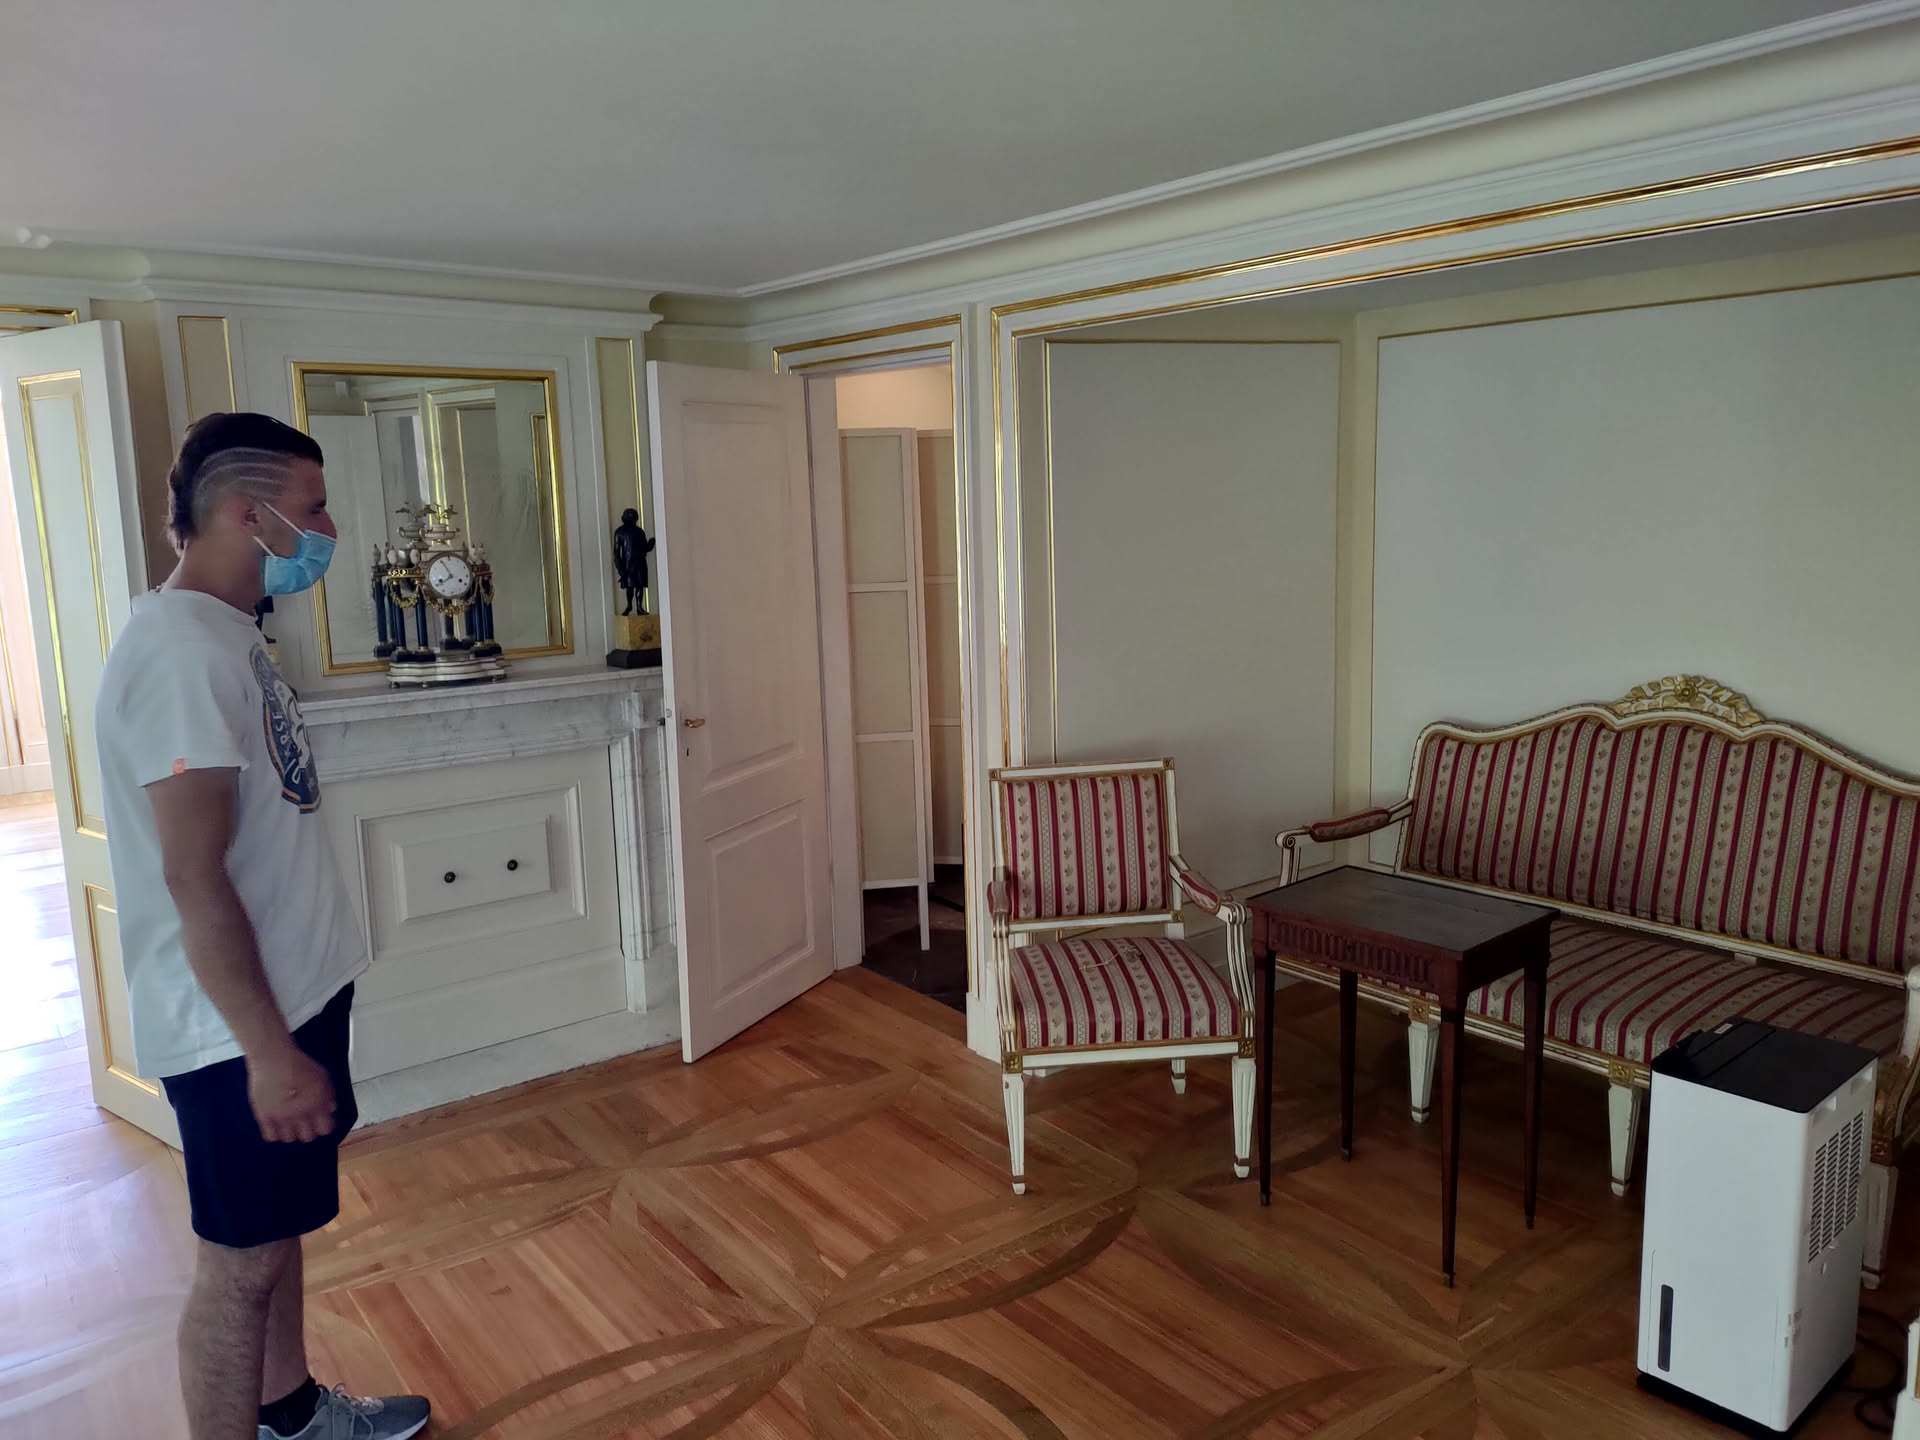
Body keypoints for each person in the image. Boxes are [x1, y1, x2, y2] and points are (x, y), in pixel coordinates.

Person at [95, 413, 431, 1440]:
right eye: (314, 508)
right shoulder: (178, 655)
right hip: (236, 1034)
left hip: (289, 1002)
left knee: (276, 1239)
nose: (327, 529)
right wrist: (267, 1052)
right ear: (251, 515)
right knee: (239, 1271)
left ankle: (292, 1414)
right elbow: (192, 876)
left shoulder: (225, 635)